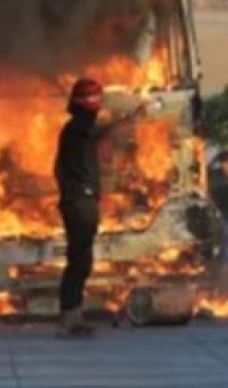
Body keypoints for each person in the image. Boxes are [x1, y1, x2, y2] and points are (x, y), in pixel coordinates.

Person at [54, 78, 147, 337]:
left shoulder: (76, 127)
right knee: (80, 261)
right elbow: (102, 132)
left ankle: (72, 315)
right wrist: (132, 117)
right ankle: (70, 318)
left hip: (82, 200)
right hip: (80, 201)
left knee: (80, 259)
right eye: (97, 98)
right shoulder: (78, 127)